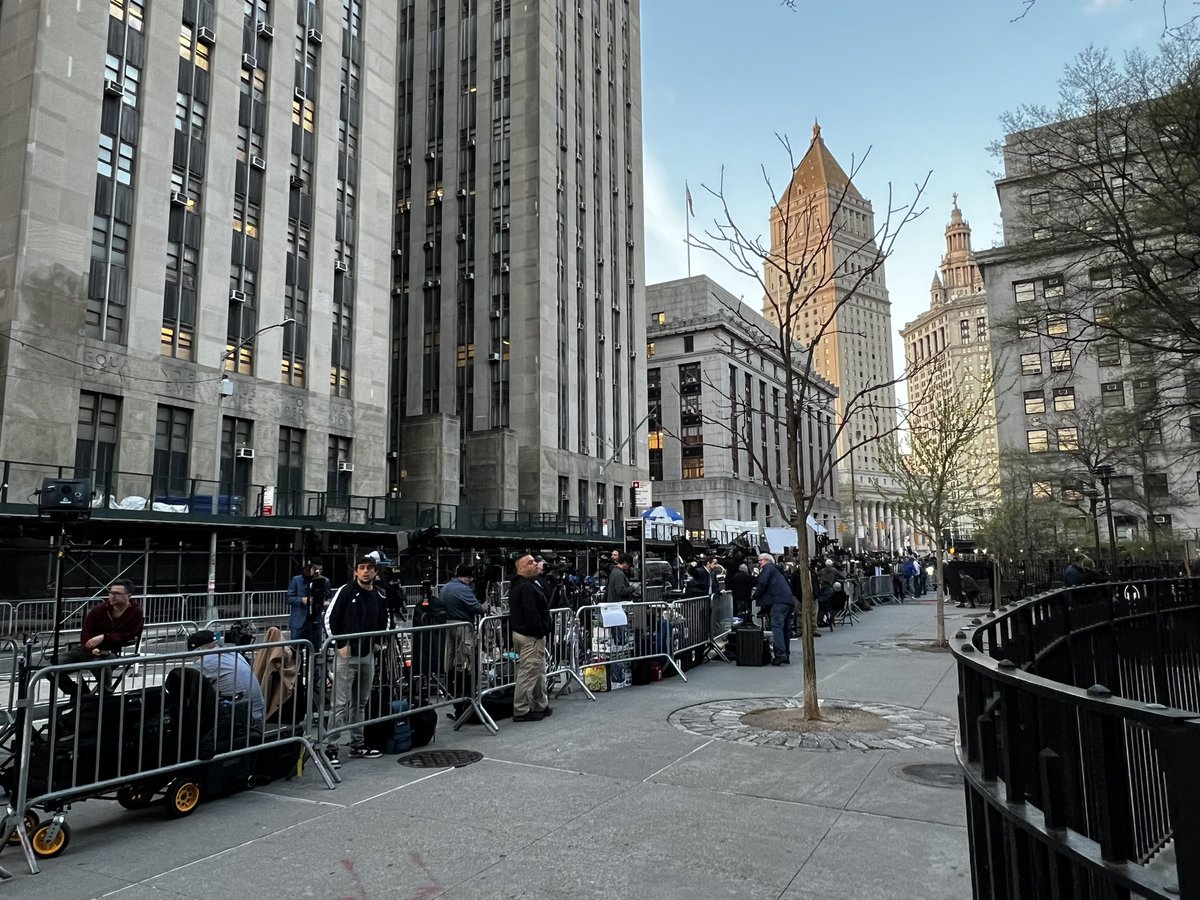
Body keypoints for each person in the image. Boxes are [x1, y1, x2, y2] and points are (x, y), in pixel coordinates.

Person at [322, 556, 388, 768]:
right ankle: (330, 748)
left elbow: (384, 620)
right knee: (339, 704)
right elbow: (329, 618)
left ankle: (357, 744)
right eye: (362, 568)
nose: (366, 572)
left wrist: (378, 642)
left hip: (367, 655)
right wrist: (338, 644)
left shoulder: (379, 594)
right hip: (347, 656)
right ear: (356, 572)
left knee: (360, 703)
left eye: (370, 568)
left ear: (375, 571)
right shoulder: (345, 591)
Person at [57, 579, 144, 698]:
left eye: (117, 593)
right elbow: (86, 631)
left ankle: (105, 697)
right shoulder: (99, 609)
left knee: (102, 665)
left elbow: (129, 634)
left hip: (111, 650)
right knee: (53, 668)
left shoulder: (135, 612)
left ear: (128, 596)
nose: (113, 596)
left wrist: (104, 638)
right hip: (88, 648)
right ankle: (80, 693)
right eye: (111, 592)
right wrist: (91, 647)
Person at [508, 554, 553, 722]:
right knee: (528, 673)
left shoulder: (523, 585)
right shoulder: (526, 587)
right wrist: (540, 630)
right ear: (521, 568)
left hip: (528, 635)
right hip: (530, 636)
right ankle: (521, 709)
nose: (536, 564)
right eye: (531, 562)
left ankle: (540, 704)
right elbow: (531, 613)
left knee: (538, 671)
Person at [187, 630, 266, 726]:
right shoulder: (235, 654)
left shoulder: (204, 662)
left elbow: (190, 689)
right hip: (258, 714)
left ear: (199, 650)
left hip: (239, 722)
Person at [441, 564, 485, 720]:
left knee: (451, 663)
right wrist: (485, 606)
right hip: (462, 627)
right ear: (468, 577)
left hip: (448, 625)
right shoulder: (463, 589)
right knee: (465, 663)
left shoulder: (445, 587)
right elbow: (477, 608)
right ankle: (465, 700)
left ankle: (455, 696)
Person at [753, 553, 794, 665]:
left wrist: (755, 595)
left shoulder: (768, 568)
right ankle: (786, 654)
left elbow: (762, 583)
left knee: (777, 626)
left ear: (767, 560)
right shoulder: (778, 570)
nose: (759, 563)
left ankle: (780, 654)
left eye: (760, 560)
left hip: (778, 601)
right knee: (785, 628)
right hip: (787, 600)